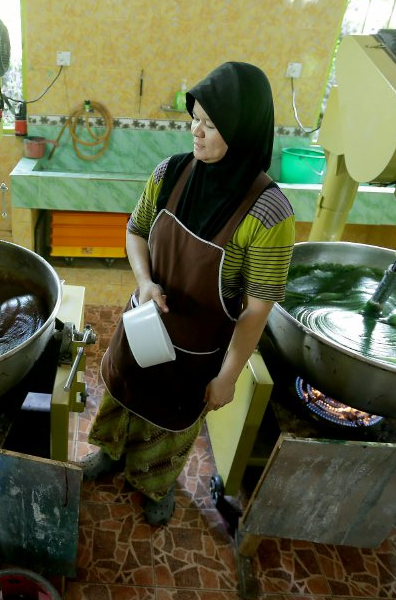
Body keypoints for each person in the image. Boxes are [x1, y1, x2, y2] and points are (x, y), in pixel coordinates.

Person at [81, 62, 295, 525]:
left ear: (241, 130)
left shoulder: (269, 212)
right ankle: (110, 454)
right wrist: (144, 282)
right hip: (142, 324)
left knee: (170, 422)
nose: (196, 132)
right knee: (122, 392)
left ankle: (156, 485)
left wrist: (229, 376)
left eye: (210, 124)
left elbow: (257, 308)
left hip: (196, 350)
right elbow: (135, 232)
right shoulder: (171, 172)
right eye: (194, 119)